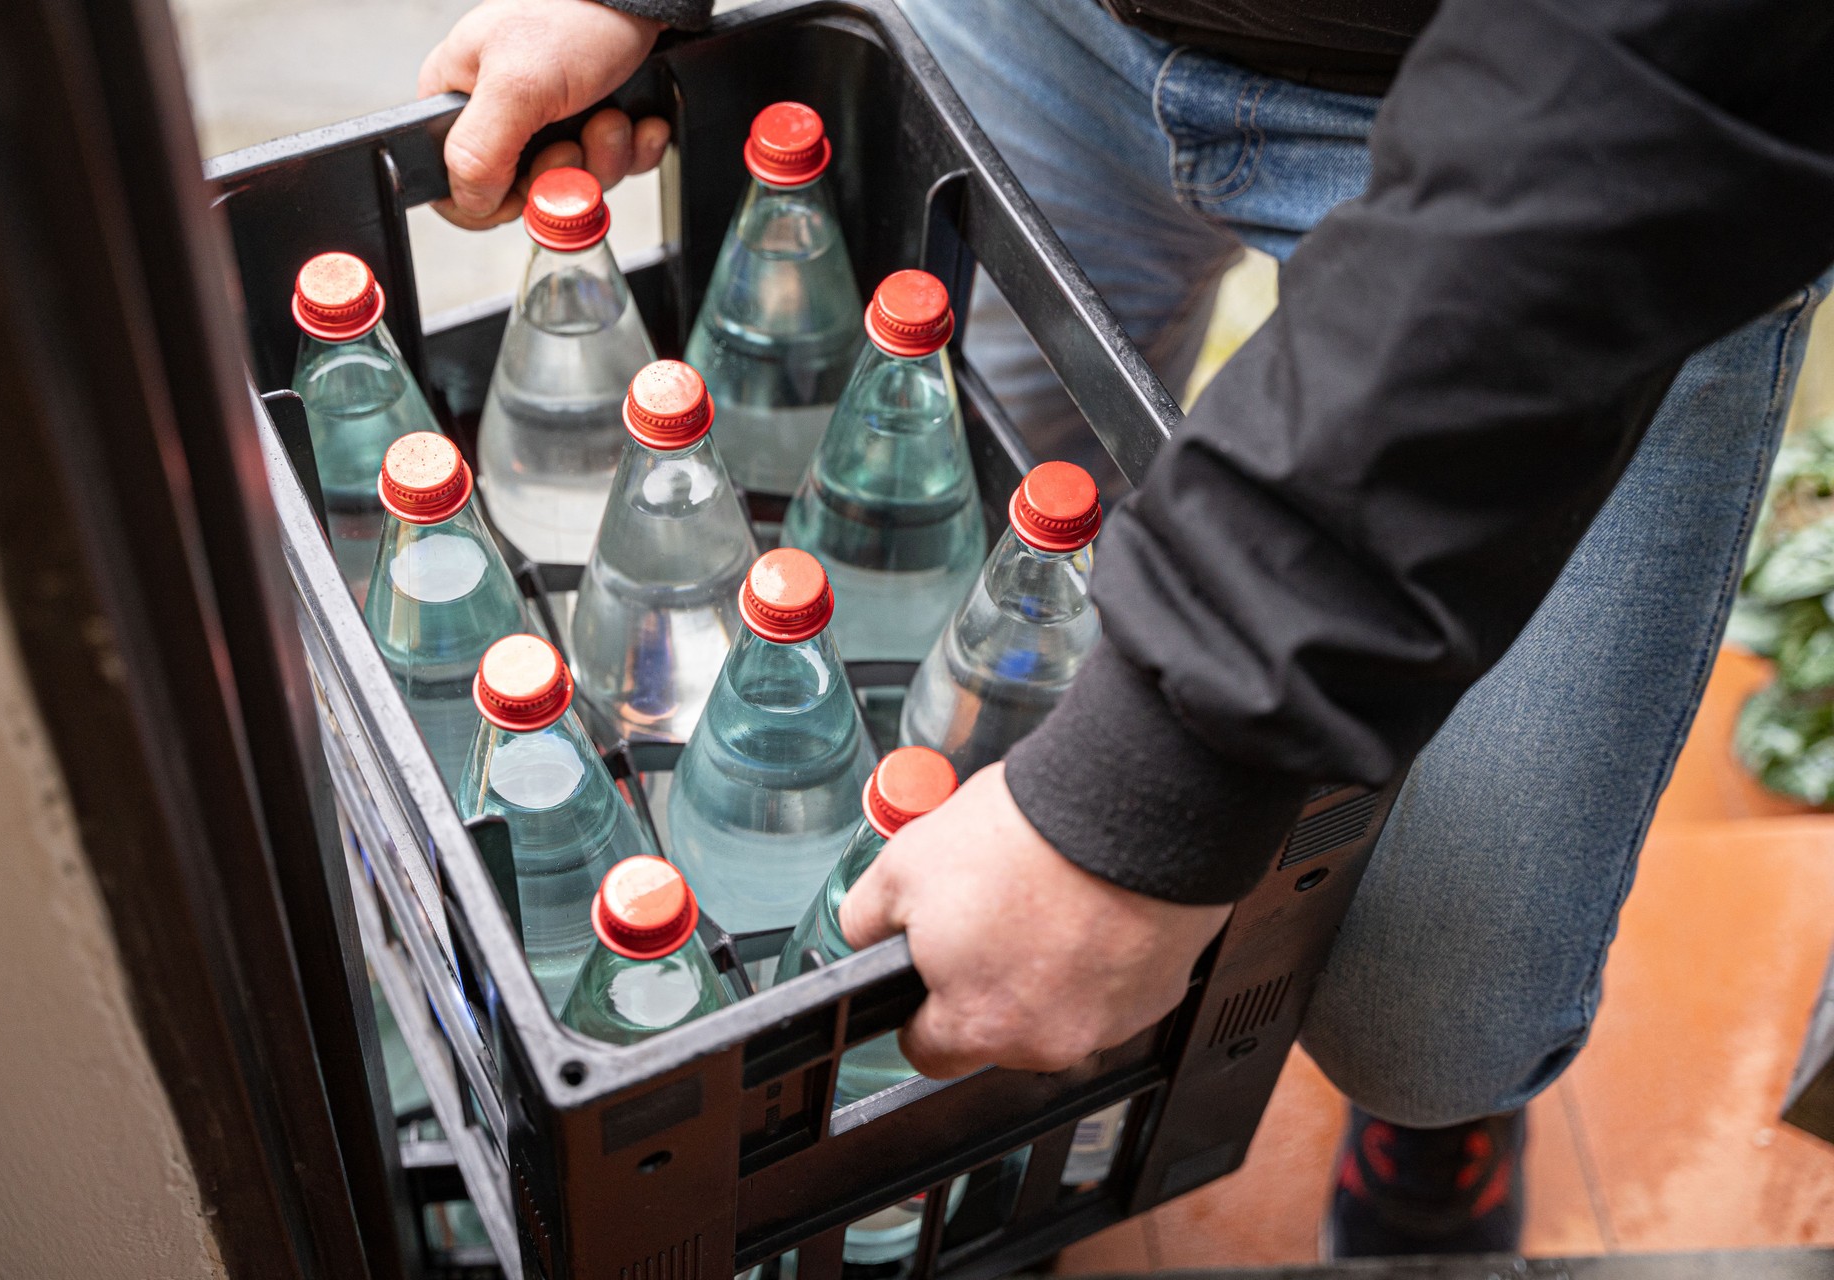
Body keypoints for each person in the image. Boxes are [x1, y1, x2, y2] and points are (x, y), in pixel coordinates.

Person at [420, 0, 1834, 1256]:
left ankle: (1424, 1117)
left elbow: (1669, 73)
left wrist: (1160, 781)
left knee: (1431, 1029)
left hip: (1597, 141)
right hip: (1042, 30)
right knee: (987, 562)